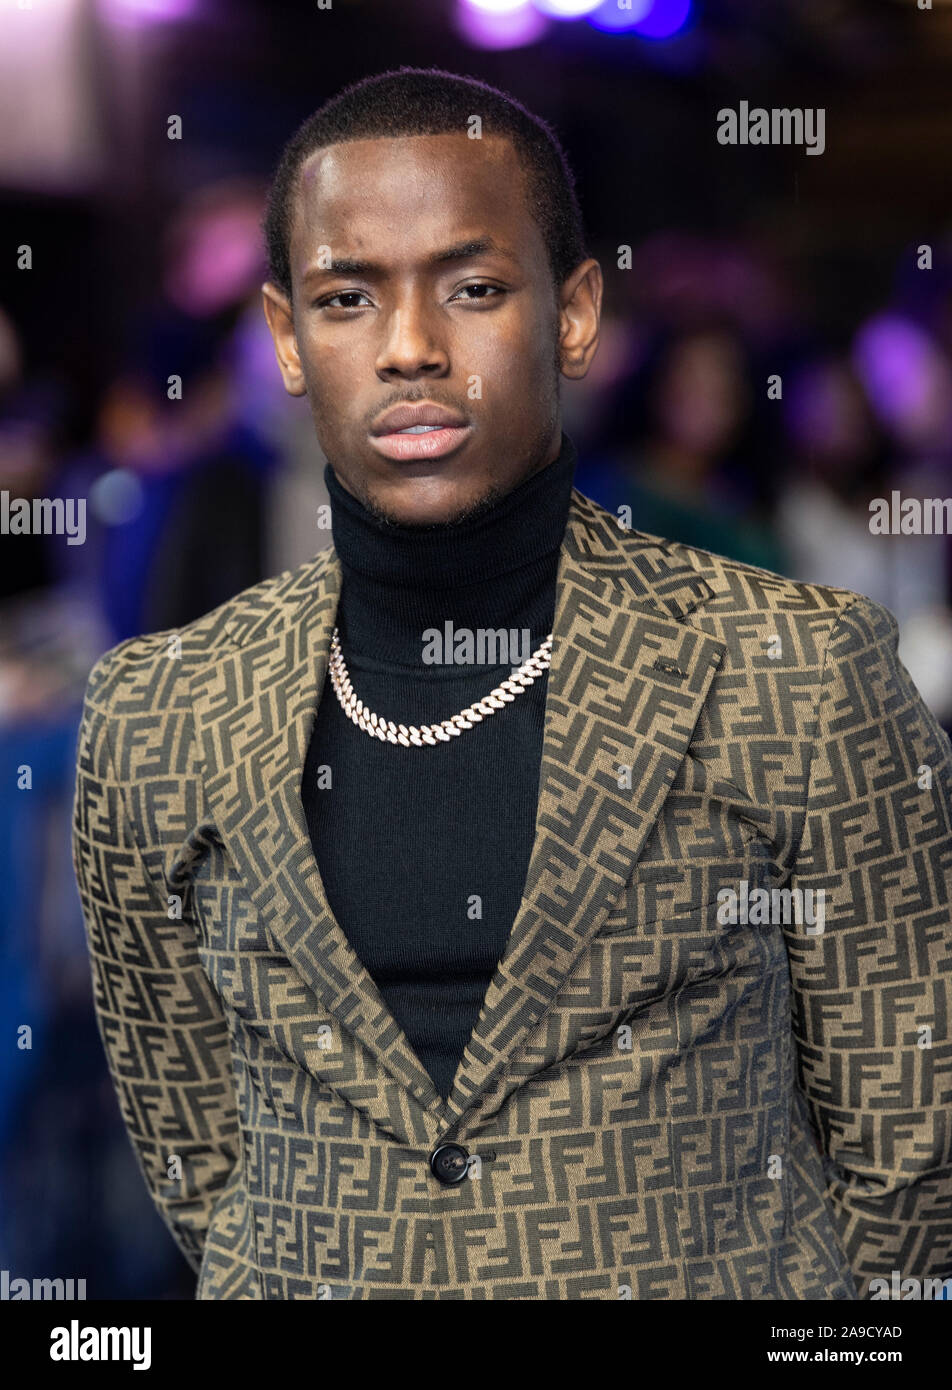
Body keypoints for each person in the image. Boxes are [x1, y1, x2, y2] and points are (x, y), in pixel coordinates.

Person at [72, 66, 952, 1301]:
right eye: (345, 297)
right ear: (283, 336)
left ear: (575, 312)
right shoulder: (158, 713)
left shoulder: (796, 670)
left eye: (474, 289)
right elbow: (193, 1145)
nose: (411, 348)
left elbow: (909, 1144)